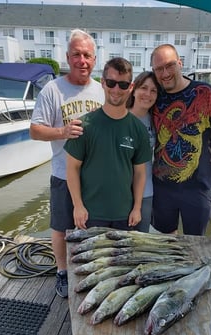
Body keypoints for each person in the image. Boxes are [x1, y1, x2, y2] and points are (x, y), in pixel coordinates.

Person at [30, 29, 104, 298]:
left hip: (94, 178)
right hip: (62, 174)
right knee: (61, 227)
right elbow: (35, 130)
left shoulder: (102, 90)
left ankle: (89, 270)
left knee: (92, 229)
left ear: (94, 59)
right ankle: (62, 272)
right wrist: (62, 131)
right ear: (67, 57)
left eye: (86, 55)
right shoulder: (53, 90)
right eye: (76, 55)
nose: (81, 61)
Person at [150, 44, 211, 236]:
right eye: (159, 69)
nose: (165, 73)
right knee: (165, 239)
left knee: (195, 242)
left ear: (180, 64)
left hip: (198, 187)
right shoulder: (155, 95)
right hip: (162, 186)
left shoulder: (203, 93)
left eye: (170, 65)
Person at [64, 57, 151, 231]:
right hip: (90, 214)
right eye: (111, 83)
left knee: (124, 259)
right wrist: (78, 206)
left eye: (123, 85)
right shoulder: (84, 125)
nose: (116, 90)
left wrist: (137, 208)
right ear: (102, 83)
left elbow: (140, 173)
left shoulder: (139, 130)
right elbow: (72, 168)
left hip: (125, 216)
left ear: (131, 87)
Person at [126, 71, 159, 232]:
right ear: (134, 89)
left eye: (153, 90)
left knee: (140, 239)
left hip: (146, 191)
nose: (148, 94)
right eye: (144, 88)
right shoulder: (120, 116)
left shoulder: (156, 120)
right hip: (120, 192)